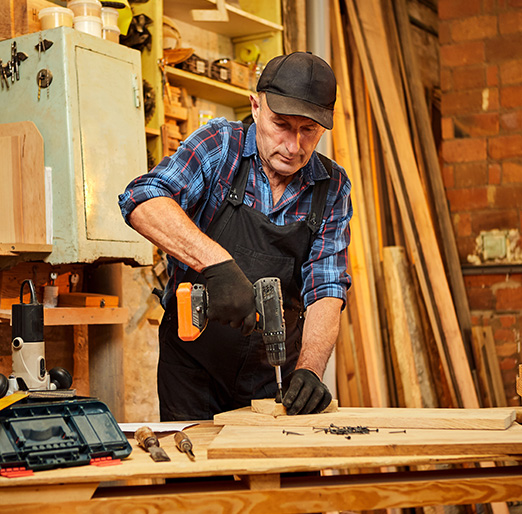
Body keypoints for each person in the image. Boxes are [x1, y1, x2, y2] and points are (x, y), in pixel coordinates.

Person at [118, 52, 353, 421]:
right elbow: (141, 199)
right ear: (256, 106)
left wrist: (310, 369)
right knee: (196, 477)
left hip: (273, 375)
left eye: (308, 130)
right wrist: (217, 264)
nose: (293, 146)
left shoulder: (331, 186)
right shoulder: (220, 146)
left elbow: (326, 288)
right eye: (281, 124)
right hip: (194, 370)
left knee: (280, 474)